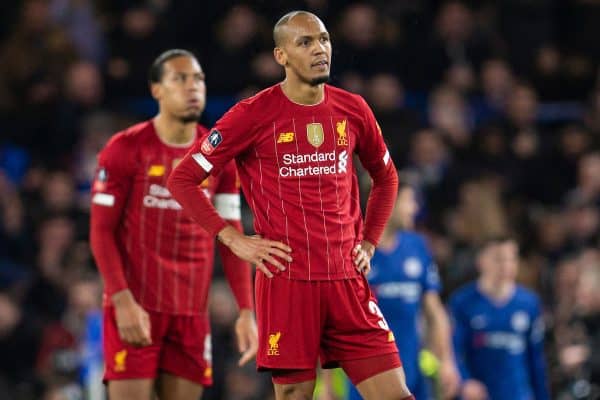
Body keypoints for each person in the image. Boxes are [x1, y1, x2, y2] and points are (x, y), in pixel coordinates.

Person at [168, 10, 414, 400]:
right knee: (295, 395)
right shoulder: (252, 115)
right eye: (305, 42)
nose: (319, 49)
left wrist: (369, 242)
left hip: (348, 280)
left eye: (324, 39)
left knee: (396, 395)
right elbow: (181, 179)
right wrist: (233, 239)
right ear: (281, 56)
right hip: (287, 280)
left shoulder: (353, 109)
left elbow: (386, 178)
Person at [89, 49, 257, 400]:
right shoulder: (124, 149)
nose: (192, 87)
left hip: (191, 315)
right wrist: (120, 299)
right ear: (157, 90)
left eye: (198, 79)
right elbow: (101, 231)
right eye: (180, 79)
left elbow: (232, 236)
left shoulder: (219, 157)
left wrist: (245, 309)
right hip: (136, 308)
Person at [344, 184, 459, 399]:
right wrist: (329, 382)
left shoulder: (417, 246)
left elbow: (434, 312)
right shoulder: (353, 248)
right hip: (366, 374)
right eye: (408, 201)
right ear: (387, 202)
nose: (413, 209)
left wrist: (447, 362)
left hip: (412, 370)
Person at [449, 237, 550, 400]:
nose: (506, 266)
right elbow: (453, 349)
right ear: (481, 261)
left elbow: (535, 358)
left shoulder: (529, 303)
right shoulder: (463, 302)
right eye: (499, 259)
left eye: (511, 259)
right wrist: (465, 381)